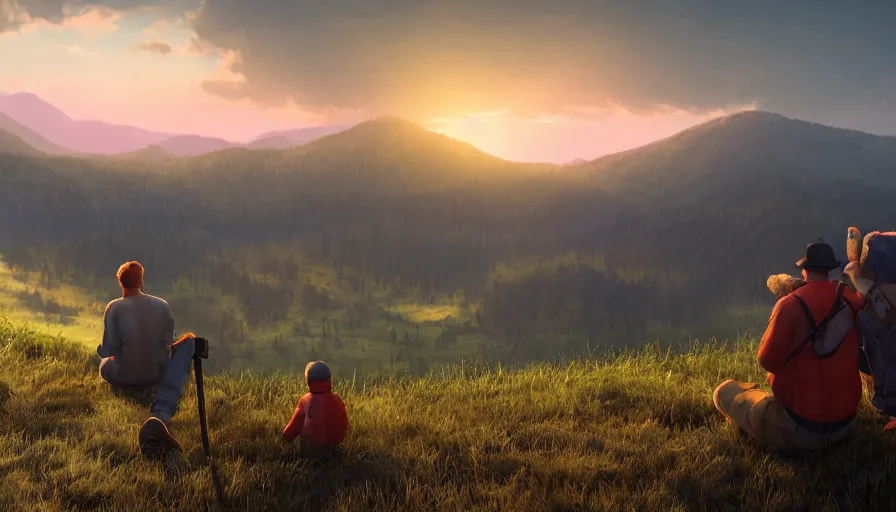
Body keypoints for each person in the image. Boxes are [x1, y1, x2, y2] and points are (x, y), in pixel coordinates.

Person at [713, 242, 863, 451]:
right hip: (846, 423)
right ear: (829, 269)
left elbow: (767, 361)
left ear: (804, 269)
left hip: (802, 428)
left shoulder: (790, 305)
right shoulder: (846, 297)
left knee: (724, 392)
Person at [97, 261, 196, 459]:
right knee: (189, 342)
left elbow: (108, 349)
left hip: (124, 375)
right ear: (141, 282)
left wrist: (104, 351)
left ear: (120, 282)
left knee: (103, 364)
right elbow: (168, 343)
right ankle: (160, 413)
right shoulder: (162, 305)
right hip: (156, 373)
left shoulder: (113, 307)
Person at [282, 361, 349, 450]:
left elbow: (288, 433)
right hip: (335, 450)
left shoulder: (305, 400)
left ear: (309, 381)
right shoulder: (339, 400)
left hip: (311, 452)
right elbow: (344, 426)